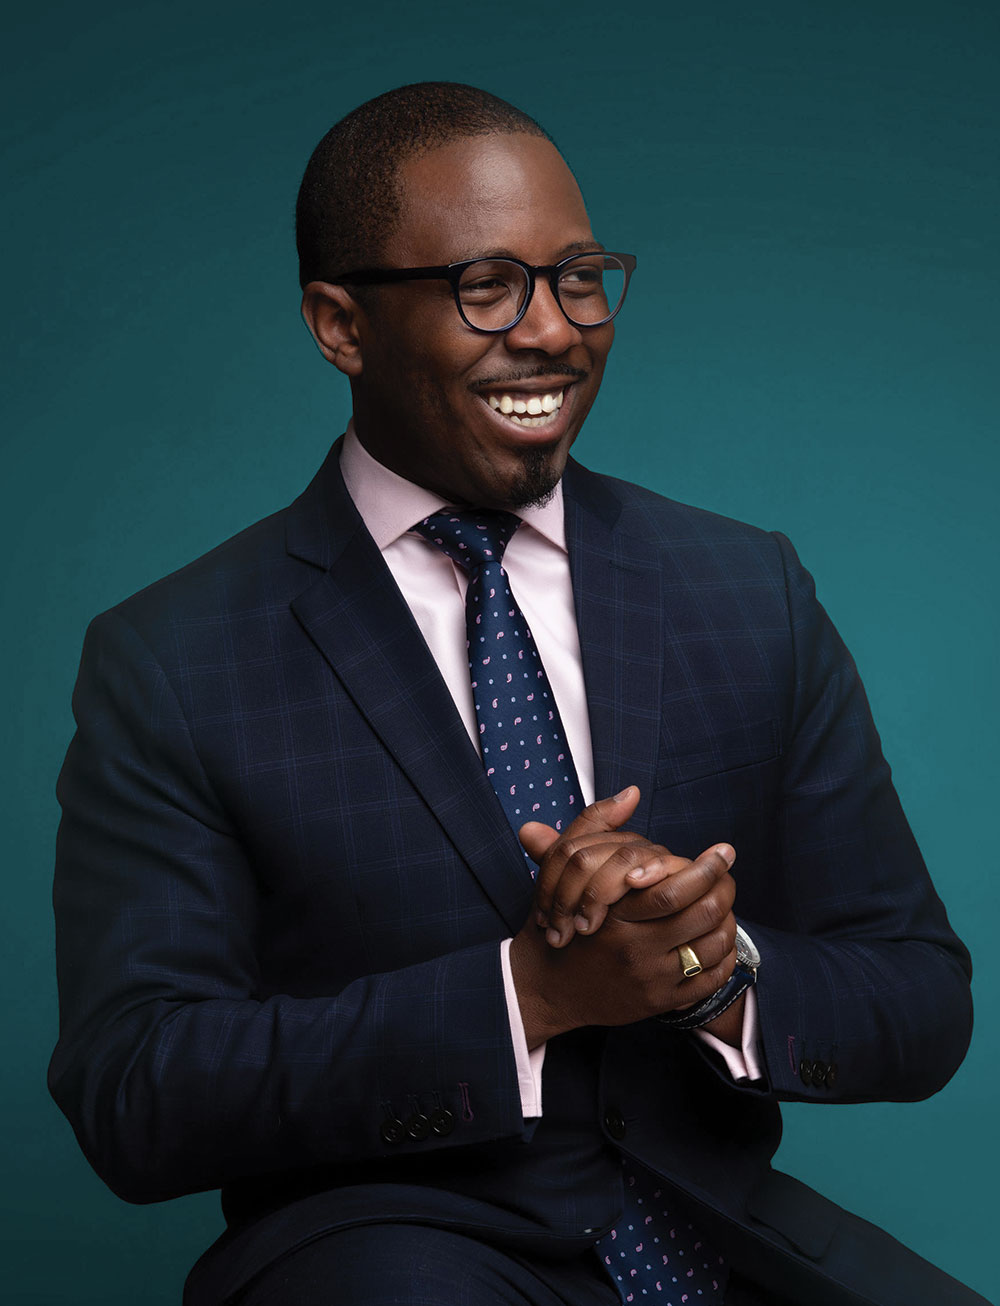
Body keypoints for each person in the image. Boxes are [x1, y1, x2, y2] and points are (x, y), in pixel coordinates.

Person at [49, 82, 985, 1306]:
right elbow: (136, 1091)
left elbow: (919, 996)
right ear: (340, 323)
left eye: (579, 276)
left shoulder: (745, 587)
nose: (551, 331)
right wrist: (526, 996)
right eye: (487, 286)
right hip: (382, 1252)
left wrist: (716, 967)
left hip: (725, 1237)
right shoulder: (172, 657)